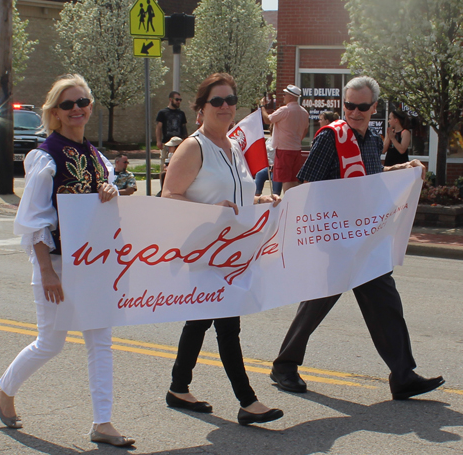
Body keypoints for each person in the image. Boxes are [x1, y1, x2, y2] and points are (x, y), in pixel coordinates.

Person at [271, 76, 444, 401]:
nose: (354, 112)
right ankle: (284, 365)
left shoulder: (371, 139)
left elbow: (371, 178)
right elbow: (307, 185)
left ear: (373, 107)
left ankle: (403, 376)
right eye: (349, 105)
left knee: (386, 304)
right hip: (336, 238)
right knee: (317, 302)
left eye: (362, 106)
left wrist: (404, 168)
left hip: (365, 238)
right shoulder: (330, 138)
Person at [0, 74, 134, 447]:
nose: (77, 109)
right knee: (50, 343)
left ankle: (103, 422)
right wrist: (47, 272)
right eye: (68, 104)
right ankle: (4, 389)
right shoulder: (46, 156)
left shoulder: (96, 156)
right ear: (55, 112)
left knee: (100, 340)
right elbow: (34, 221)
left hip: (94, 264)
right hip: (57, 263)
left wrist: (109, 187)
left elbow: (110, 199)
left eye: (83, 102)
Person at [162, 72, 283, 426]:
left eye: (231, 100)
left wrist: (263, 200)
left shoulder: (233, 146)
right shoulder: (193, 147)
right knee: (228, 326)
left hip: (235, 253)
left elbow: (239, 197)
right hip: (204, 252)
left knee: (200, 322)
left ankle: (178, 387)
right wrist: (210, 213)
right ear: (200, 109)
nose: (226, 106)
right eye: (217, 101)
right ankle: (248, 401)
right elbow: (169, 197)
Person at [260, 85, 309, 193]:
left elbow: (268, 120)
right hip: (296, 149)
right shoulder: (304, 112)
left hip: (284, 149)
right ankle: (295, 201)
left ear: (290, 96)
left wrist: (262, 106)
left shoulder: (284, 110)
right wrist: (296, 140)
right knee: (293, 179)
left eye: (285, 94)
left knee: (286, 179)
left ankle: (289, 204)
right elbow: (305, 129)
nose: (284, 96)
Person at [156, 91, 188, 170]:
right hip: (167, 142)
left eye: (180, 100)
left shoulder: (181, 113)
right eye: (177, 99)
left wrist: (186, 140)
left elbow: (184, 127)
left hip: (179, 141)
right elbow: (159, 127)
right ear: (171, 99)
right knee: (164, 163)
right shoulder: (162, 113)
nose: (178, 102)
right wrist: (158, 141)